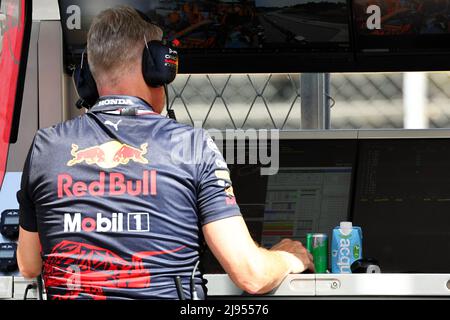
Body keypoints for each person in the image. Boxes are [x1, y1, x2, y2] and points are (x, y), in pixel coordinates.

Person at [16, 5, 314, 300]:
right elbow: (251, 275)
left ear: (85, 77)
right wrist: (289, 257)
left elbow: (29, 266)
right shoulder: (192, 147)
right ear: (157, 66)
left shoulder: (46, 148)